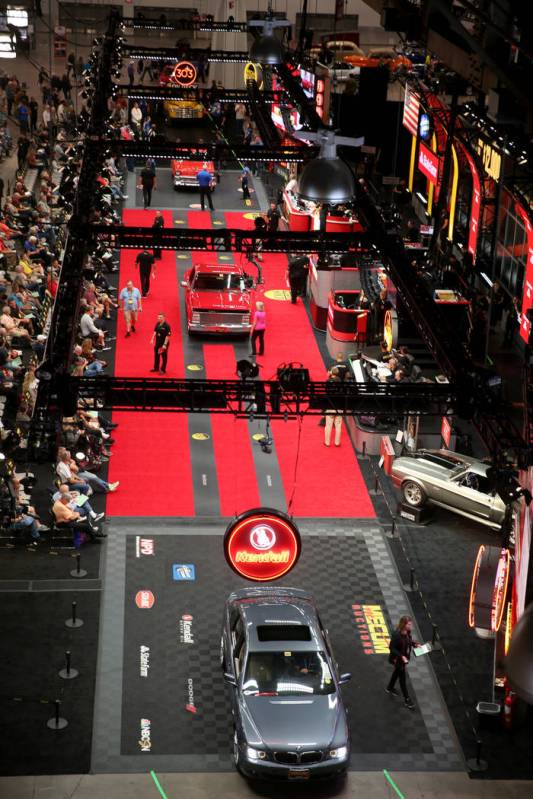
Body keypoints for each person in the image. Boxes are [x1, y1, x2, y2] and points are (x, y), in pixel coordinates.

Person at [386, 615, 420, 710]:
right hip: (397, 659)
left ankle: (390, 687)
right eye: (409, 624)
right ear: (404, 625)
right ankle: (407, 699)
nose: (411, 626)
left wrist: (415, 644)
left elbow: (408, 641)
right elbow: (391, 648)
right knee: (402, 679)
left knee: (397, 672)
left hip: (403, 658)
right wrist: (401, 656)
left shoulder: (408, 632)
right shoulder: (396, 635)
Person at [324, 370, 343, 447]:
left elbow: (326, 392)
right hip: (339, 406)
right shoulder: (340, 381)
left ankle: (327, 443)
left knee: (328, 425)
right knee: (338, 425)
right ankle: (337, 443)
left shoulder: (328, 381)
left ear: (331, 373)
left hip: (330, 405)